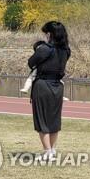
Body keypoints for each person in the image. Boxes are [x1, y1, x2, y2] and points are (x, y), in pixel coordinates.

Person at [28, 21, 71, 161]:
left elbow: (31, 62)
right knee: (54, 120)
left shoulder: (45, 49)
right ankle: (52, 150)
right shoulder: (66, 50)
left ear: (50, 34)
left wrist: (38, 48)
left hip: (43, 85)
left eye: (46, 33)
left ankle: (47, 152)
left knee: (42, 120)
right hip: (58, 86)